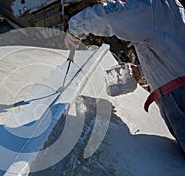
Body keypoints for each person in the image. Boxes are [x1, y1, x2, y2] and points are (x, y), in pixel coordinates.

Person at [65, 0, 185, 154]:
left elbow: (112, 15)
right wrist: (143, 71)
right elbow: (173, 46)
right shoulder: (171, 7)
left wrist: (75, 28)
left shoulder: (149, 6)